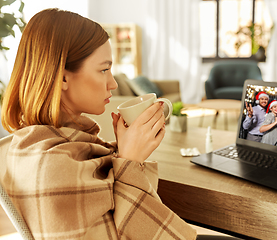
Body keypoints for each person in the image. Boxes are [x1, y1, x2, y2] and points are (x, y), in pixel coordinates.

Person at [0, 9, 197, 240]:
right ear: (62, 77)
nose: (113, 83)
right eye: (104, 69)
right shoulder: (52, 166)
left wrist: (125, 152)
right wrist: (130, 162)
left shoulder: (51, 143)